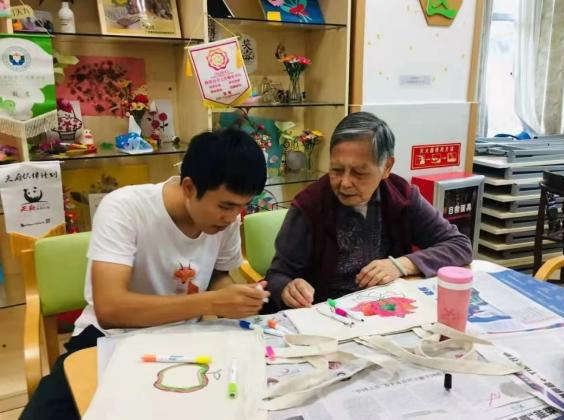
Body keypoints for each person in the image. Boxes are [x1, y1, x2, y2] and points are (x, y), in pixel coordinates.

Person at [21, 129, 270, 419]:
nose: (233, 217)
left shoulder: (225, 221)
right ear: (189, 187)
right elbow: (110, 309)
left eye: (242, 206)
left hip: (185, 338)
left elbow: (217, 275)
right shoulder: (125, 208)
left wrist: (235, 298)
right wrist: (211, 302)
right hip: (109, 338)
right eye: (226, 206)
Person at [266, 112, 473, 309]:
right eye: (336, 170)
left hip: (388, 308)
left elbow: (460, 245)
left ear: (387, 167)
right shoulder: (309, 206)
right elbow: (277, 275)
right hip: (329, 313)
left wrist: (401, 265)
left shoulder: (402, 197)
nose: (345, 183)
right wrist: (287, 288)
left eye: (359, 172)